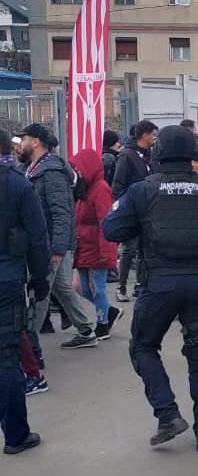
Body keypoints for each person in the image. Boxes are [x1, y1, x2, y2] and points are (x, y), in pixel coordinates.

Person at [102, 125, 198, 452]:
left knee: (142, 347)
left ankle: (168, 414)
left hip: (159, 282)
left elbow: (111, 228)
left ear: (158, 154)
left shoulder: (142, 190)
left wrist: (139, 225)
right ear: (194, 155)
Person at [18, 123, 98, 349]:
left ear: (35, 142)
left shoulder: (51, 171)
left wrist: (57, 248)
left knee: (40, 290)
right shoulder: (31, 168)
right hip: (48, 241)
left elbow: (62, 212)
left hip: (50, 243)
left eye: (23, 139)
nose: (20, 143)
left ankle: (28, 347)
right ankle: (86, 331)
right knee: (61, 287)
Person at [0, 127, 50, 453]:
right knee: (6, 358)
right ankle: (16, 436)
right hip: (7, 279)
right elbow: (37, 237)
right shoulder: (18, 185)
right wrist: (40, 277)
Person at [69, 149, 123, 341]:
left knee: (96, 288)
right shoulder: (85, 189)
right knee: (81, 287)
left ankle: (103, 324)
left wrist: (107, 252)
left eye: (78, 168)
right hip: (85, 246)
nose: (77, 171)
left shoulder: (100, 189)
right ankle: (108, 312)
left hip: (96, 246)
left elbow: (106, 223)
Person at [112, 119, 158, 302]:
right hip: (132, 210)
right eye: (153, 134)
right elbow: (118, 185)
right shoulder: (127, 155)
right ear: (144, 135)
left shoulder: (150, 155)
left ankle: (140, 285)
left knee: (144, 250)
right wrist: (125, 206)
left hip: (149, 210)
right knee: (128, 249)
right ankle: (121, 286)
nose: (155, 138)